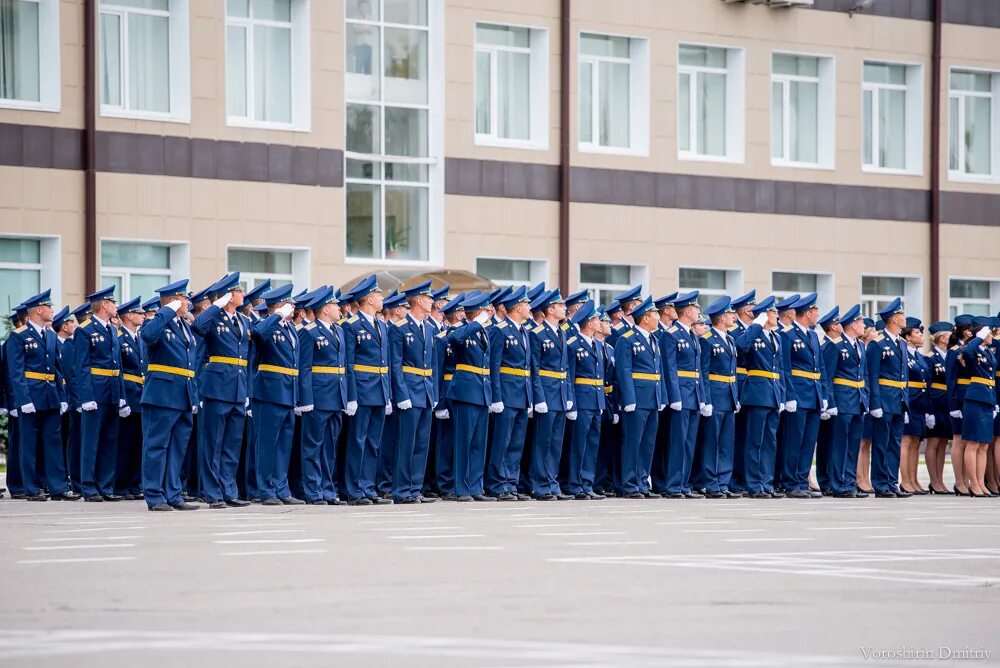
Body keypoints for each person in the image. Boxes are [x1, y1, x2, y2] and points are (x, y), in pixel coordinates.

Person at [6, 290, 74, 501]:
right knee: (29, 443)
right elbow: (15, 372)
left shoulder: (50, 335)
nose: (53, 311)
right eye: (49, 307)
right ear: (38, 310)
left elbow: (56, 369)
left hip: (50, 395)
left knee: (52, 442)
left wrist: (62, 397)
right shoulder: (19, 336)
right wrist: (22, 400)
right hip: (31, 396)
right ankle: (30, 487)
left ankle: (57, 486)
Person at [192, 273, 252, 509]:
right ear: (228, 295)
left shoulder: (244, 321)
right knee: (213, 443)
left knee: (232, 443)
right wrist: (215, 306)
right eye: (239, 291)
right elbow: (197, 326)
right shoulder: (213, 319)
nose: (243, 295)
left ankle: (229, 490)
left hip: (238, 388)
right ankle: (212, 492)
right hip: (217, 388)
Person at [140, 280, 199, 511]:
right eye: (184, 299)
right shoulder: (157, 322)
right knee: (157, 446)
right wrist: (166, 310)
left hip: (184, 394)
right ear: (174, 301)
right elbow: (147, 336)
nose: (188, 303)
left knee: (177, 447)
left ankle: (173, 494)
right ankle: (154, 495)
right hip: (162, 394)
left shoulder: (184, 325)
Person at [342, 275, 392, 505]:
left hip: (379, 390)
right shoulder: (351, 325)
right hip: (362, 390)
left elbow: (387, 363)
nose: (382, 299)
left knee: (374, 442)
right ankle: (354, 489)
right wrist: (351, 396)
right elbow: (349, 364)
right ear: (369, 300)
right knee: (358, 441)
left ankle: (368, 487)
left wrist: (388, 394)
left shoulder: (382, 325)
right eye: (379, 295)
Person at [296, 286, 348, 505]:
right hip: (318, 397)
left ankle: (328, 489)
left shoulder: (340, 331)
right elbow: (304, 368)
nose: (339, 309)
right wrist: (305, 399)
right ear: (325, 309)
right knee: (312, 445)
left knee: (330, 446)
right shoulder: (309, 332)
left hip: (336, 396)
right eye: (335, 306)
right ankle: (313, 490)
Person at [388, 281, 438, 504]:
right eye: (428, 298)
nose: (431, 302)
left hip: (425, 390)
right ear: (418, 300)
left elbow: (433, 364)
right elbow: (395, 365)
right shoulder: (399, 328)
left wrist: (434, 394)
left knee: (421, 443)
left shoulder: (428, 328)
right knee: (406, 442)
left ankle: (415, 488)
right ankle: (401, 489)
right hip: (409, 389)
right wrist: (401, 394)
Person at [76, 286, 127, 502]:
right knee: (91, 441)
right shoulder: (84, 330)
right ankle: (88, 487)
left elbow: (119, 366)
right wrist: (86, 397)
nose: (116, 306)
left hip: (113, 390)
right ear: (104, 305)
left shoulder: (113, 330)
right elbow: (81, 366)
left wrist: (122, 395)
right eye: (113, 303)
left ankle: (105, 485)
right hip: (95, 391)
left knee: (109, 440)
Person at [446, 292, 495, 502]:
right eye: (486, 311)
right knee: (464, 442)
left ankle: (476, 487)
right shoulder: (461, 330)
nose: (489, 314)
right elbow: (454, 339)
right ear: (477, 313)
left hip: (482, 391)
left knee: (478, 443)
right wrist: (476, 322)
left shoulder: (482, 332)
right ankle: (461, 488)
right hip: (465, 392)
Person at [486, 286, 534, 501]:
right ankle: (497, 483)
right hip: (506, 392)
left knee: (516, 442)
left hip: (522, 393)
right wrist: (495, 397)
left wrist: (531, 397)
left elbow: (528, 368)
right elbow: (493, 365)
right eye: (526, 304)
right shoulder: (500, 330)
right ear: (518, 307)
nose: (529, 308)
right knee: (502, 441)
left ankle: (511, 483)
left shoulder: (524, 331)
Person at [779, 293, 826, 499]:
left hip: (813, 394)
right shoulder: (787, 335)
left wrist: (823, 395)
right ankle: (789, 482)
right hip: (797, 393)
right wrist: (789, 396)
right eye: (815, 311)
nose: (818, 315)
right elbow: (785, 369)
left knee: (808, 442)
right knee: (793, 441)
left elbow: (821, 368)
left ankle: (801, 480)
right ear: (807, 313)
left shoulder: (813, 336)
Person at [528, 290, 573, 500]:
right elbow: (534, 369)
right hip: (546, 392)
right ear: (550, 309)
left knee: (556, 442)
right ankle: (540, 484)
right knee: (542, 442)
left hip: (561, 393)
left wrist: (569, 395)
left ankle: (552, 482)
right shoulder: (537, 334)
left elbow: (567, 369)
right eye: (560, 305)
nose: (565, 308)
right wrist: (539, 398)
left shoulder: (561, 333)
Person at [866, 298, 911, 498]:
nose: (904, 317)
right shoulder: (877, 344)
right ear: (893, 319)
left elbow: (904, 377)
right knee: (881, 443)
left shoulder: (901, 342)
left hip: (898, 400)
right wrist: (874, 403)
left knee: (895, 443)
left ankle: (892, 482)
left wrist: (906, 403)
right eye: (901, 314)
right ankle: (880, 484)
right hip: (884, 399)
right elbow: (872, 376)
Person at [823, 304, 868, 498]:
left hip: (857, 400)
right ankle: (838, 483)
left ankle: (850, 482)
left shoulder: (859, 346)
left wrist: (866, 399)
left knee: (853, 444)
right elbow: (828, 377)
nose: (864, 325)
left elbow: (863, 374)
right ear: (852, 325)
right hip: (842, 399)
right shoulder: (836, 346)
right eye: (860, 322)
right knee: (840, 444)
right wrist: (830, 402)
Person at [663, 291, 705, 498]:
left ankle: (684, 484)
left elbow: (699, 371)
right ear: (687, 311)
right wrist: (675, 396)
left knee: (689, 443)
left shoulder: (691, 335)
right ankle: (673, 485)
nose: (699, 312)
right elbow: (669, 368)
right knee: (678, 442)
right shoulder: (671, 335)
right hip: (681, 393)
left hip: (694, 394)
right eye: (696, 308)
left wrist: (703, 398)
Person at [565, 300, 609, 499]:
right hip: (581, 399)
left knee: (592, 444)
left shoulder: (598, 346)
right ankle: (575, 484)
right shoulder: (573, 344)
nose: (600, 322)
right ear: (589, 323)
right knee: (578, 444)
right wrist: (571, 402)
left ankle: (587, 483)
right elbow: (570, 377)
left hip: (595, 400)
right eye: (597, 319)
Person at [699, 296, 741, 498]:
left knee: (726, 443)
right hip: (715, 396)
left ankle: (723, 482)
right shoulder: (707, 340)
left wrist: (736, 396)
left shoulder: (730, 339)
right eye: (730, 314)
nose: (734, 317)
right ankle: (711, 482)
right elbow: (703, 373)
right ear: (722, 318)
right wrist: (706, 400)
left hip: (729, 397)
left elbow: (732, 372)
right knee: (712, 442)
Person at [959, 318, 998, 497]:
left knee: (983, 444)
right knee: (973, 443)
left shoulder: (988, 352)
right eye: (988, 333)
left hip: (988, 398)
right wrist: (978, 337)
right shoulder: (972, 350)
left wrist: (995, 401)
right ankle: (973, 483)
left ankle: (981, 483)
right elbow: (966, 351)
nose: (991, 336)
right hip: (975, 398)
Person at [115, 297, 146, 500]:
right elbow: (118, 370)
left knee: (138, 443)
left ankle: (134, 485)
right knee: (124, 444)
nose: (143, 316)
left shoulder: (140, 337)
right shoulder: (118, 338)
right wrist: (121, 398)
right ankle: (120, 485)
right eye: (139, 313)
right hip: (128, 392)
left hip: (141, 395)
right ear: (129, 315)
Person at [900, 318, 930, 495]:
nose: (921, 336)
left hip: (920, 401)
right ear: (908, 337)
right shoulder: (903, 353)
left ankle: (913, 478)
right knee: (906, 441)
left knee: (915, 442)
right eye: (917, 333)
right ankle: (905, 480)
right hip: (910, 399)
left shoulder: (918, 356)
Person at [923, 321, 954, 494]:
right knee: (934, 441)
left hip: (946, 402)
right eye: (949, 336)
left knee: (943, 442)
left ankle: (940, 480)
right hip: (935, 400)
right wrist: (928, 409)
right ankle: (933, 480)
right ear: (942, 338)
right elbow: (926, 384)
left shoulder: (949, 356)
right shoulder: (930, 357)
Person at [946, 315, 975, 495]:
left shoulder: (970, 349)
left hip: (971, 397)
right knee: (958, 439)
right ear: (965, 331)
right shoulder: (954, 352)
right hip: (959, 397)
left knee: (967, 439)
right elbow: (951, 381)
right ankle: (959, 481)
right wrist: (953, 405)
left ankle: (967, 479)